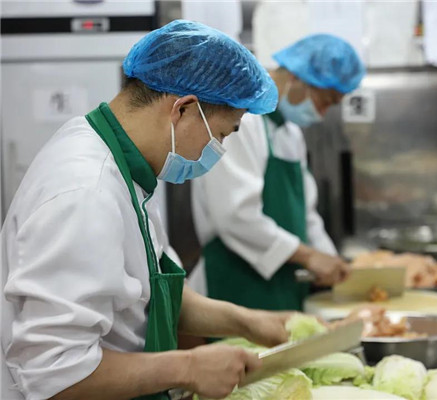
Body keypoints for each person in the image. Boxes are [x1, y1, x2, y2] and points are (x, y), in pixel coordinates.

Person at [0, 20, 292, 400]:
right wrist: (188, 367)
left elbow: (147, 292)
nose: (217, 152)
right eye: (220, 135)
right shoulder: (86, 190)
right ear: (184, 109)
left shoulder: (125, 165)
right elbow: (54, 373)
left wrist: (245, 321)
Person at [190, 34, 366, 311]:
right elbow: (235, 216)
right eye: (324, 101)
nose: (322, 114)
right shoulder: (240, 122)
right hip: (235, 285)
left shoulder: (290, 133)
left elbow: (306, 215)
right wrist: (308, 257)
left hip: (283, 285)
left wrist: (330, 260)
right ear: (297, 78)